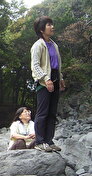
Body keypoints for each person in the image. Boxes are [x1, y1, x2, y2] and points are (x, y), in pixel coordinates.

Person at [31, 16, 66, 152]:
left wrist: (61, 78)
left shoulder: (54, 44)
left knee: (52, 113)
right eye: (49, 25)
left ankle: (49, 140)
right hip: (43, 82)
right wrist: (46, 79)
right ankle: (39, 141)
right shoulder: (38, 45)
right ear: (41, 29)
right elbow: (35, 65)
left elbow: (56, 65)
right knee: (43, 112)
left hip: (55, 78)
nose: (52, 27)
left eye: (52, 24)